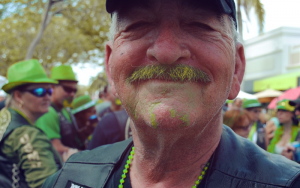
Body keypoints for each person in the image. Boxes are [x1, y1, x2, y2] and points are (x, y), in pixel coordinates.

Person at [42, 0, 300, 188]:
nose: (166, 53)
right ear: (110, 68)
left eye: (198, 25)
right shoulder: (69, 178)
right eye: (139, 24)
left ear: (236, 69)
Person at [0, 59, 62, 188]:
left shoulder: (5, 117)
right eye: (39, 91)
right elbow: (48, 185)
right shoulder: (28, 134)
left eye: (49, 91)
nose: (47, 97)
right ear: (18, 96)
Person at [35, 65, 85, 159]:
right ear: (53, 87)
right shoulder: (49, 112)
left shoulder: (65, 110)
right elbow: (56, 148)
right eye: (68, 89)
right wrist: (87, 156)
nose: (72, 94)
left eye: (75, 90)